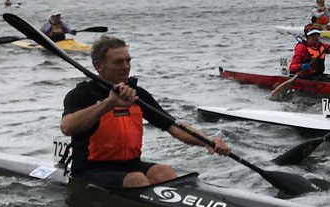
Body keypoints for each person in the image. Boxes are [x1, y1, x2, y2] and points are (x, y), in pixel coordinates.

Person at [60, 36, 231, 188]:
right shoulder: (81, 94)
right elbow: (67, 127)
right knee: (137, 180)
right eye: (119, 62)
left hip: (130, 165)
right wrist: (109, 103)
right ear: (99, 65)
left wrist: (207, 141)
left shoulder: (137, 95)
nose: (126, 67)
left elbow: (175, 127)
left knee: (165, 172)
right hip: (89, 169)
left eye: (128, 61)